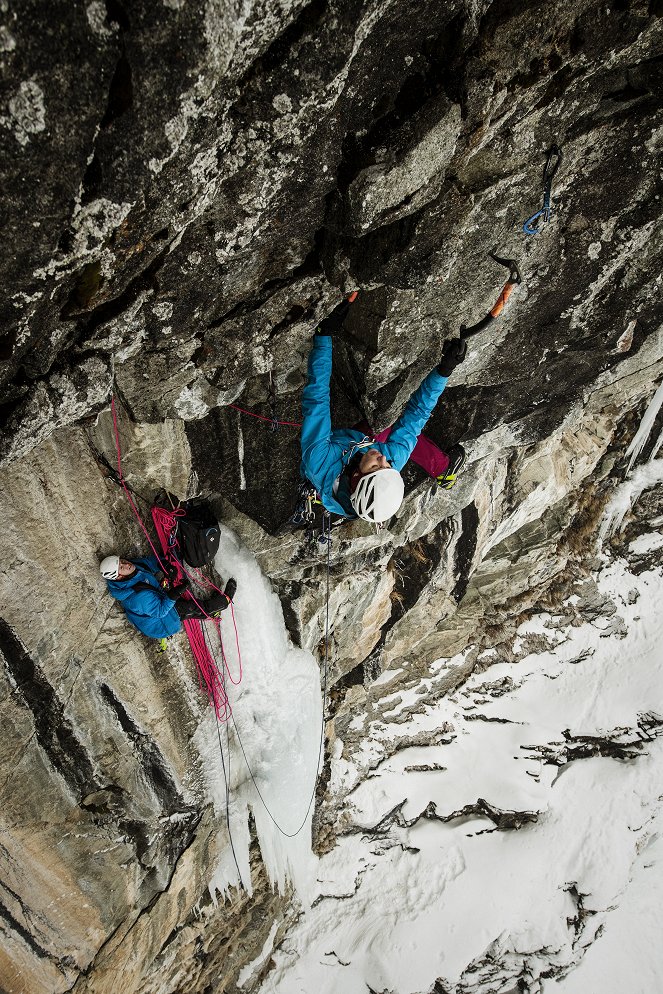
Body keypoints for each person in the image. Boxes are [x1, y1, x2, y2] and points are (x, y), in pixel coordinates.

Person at [300, 296, 466, 523]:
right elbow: (416, 416)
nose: (382, 459)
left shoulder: (319, 461)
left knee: (377, 424)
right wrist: (444, 371)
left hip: (334, 457)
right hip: (353, 445)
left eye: (376, 467)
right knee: (387, 422)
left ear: (357, 477)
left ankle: (442, 468)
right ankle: (443, 468)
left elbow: (317, 399)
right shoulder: (391, 461)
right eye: (386, 466)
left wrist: (323, 336)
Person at [100, 554, 237, 641]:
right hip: (162, 623)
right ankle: (224, 602)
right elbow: (160, 611)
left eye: (122, 561)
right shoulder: (137, 598)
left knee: (187, 607)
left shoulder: (132, 569)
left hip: (155, 606)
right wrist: (175, 593)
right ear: (118, 577)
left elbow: (148, 562)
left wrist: (164, 565)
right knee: (188, 607)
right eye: (122, 567)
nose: (126, 564)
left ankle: (209, 613)